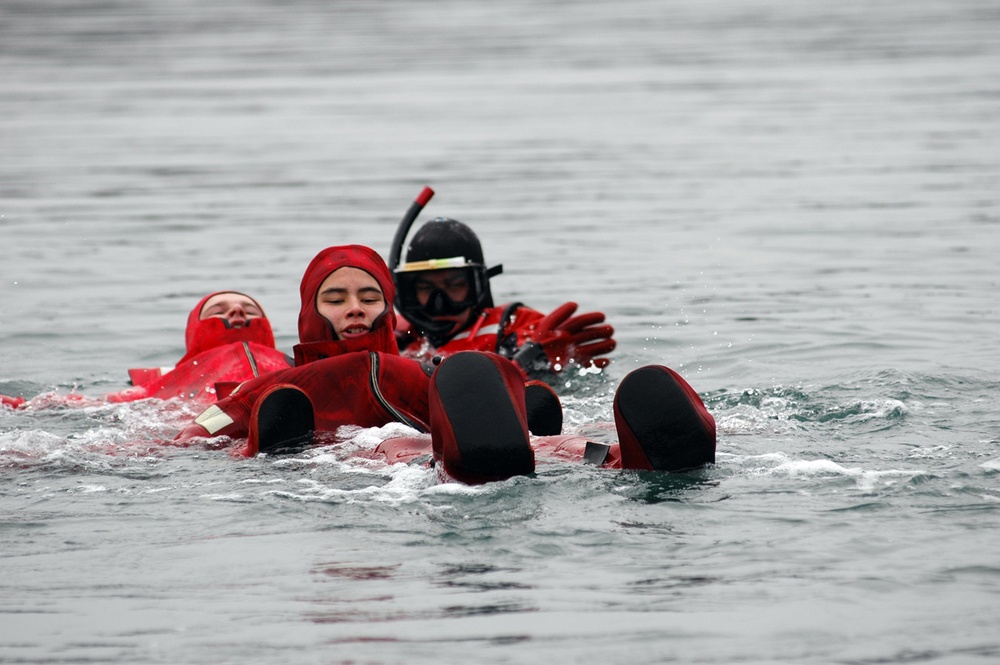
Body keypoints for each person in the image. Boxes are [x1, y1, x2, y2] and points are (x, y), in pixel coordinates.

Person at [174, 243, 715, 484]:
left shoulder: (422, 364)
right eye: (335, 298)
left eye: (368, 295)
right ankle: (476, 462)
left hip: (440, 423)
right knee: (401, 451)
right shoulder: (271, 383)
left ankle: (632, 457)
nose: (355, 307)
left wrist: (531, 386)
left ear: (388, 306)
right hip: (357, 446)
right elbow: (211, 421)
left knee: (545, 446)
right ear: (309, 311)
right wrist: (209, 435)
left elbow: (493, 385)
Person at [391, 218, 617, 376]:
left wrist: (538, 362)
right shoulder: (399, 336)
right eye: (425, 287)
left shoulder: (516, 327)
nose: (439, 303)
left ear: (479, 285)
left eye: (454, 285)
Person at [0, 290, 292, 408]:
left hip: (285, 399)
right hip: (201, 413)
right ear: (195, 328)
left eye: (250, 309)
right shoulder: (170, 381)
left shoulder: (297, 362)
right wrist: (17, 404)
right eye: (219, 309)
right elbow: (92, 403)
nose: (238, 312)